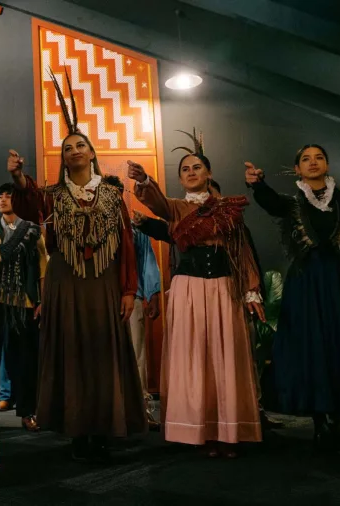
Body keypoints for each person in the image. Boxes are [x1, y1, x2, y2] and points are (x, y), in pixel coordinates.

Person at [8, 70, 145, 463]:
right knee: (70, 355)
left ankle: (102, 429)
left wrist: (129, 290)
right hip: (65, 284)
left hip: (104, 285)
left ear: (91, 152)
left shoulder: (113, 195)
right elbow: (28, 203)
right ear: (63, 157)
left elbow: (126, 250)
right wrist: (18, 177)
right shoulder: (51, 196)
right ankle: (76, 432)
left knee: (103, 356)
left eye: (80, 145)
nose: (74, 151)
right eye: (67, 147)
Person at [245, 145, 340, 456]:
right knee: (312, 351)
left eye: (319, 157)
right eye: (306, 159)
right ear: (297, 169)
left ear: (327, 164)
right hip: (306, 286)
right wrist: (257, 183)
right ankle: (320, 426)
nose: (313, 163)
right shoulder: (294, 202)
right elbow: (271, 204)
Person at [128, 130, 264, 458]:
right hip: (188, 290)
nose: (191, 172)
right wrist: (145, 180)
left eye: (197, 167)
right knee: (194, 359)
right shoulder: (175, 209)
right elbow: (156, 202)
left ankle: (227, 431)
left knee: (224, 359)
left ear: (209, 173)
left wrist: (251, 292)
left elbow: (241, 250)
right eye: (185, 169)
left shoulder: (228, 209)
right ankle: (197, 430)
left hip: (222, 289)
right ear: (180, 177)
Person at [0, 182, 46, 431]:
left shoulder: (31, 230)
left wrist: (41, 300)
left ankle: (27, 412)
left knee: (25, 359)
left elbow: (42, 266)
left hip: (24, 301)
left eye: (8, 195)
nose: (3, 200)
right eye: (0, 195)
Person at [128, 223, 161, 428]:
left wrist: (153, 293)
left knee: (137, 354)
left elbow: (148, 261)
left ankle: (142, 408)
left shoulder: (134, 229)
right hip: (102, 297)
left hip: (133, 297)